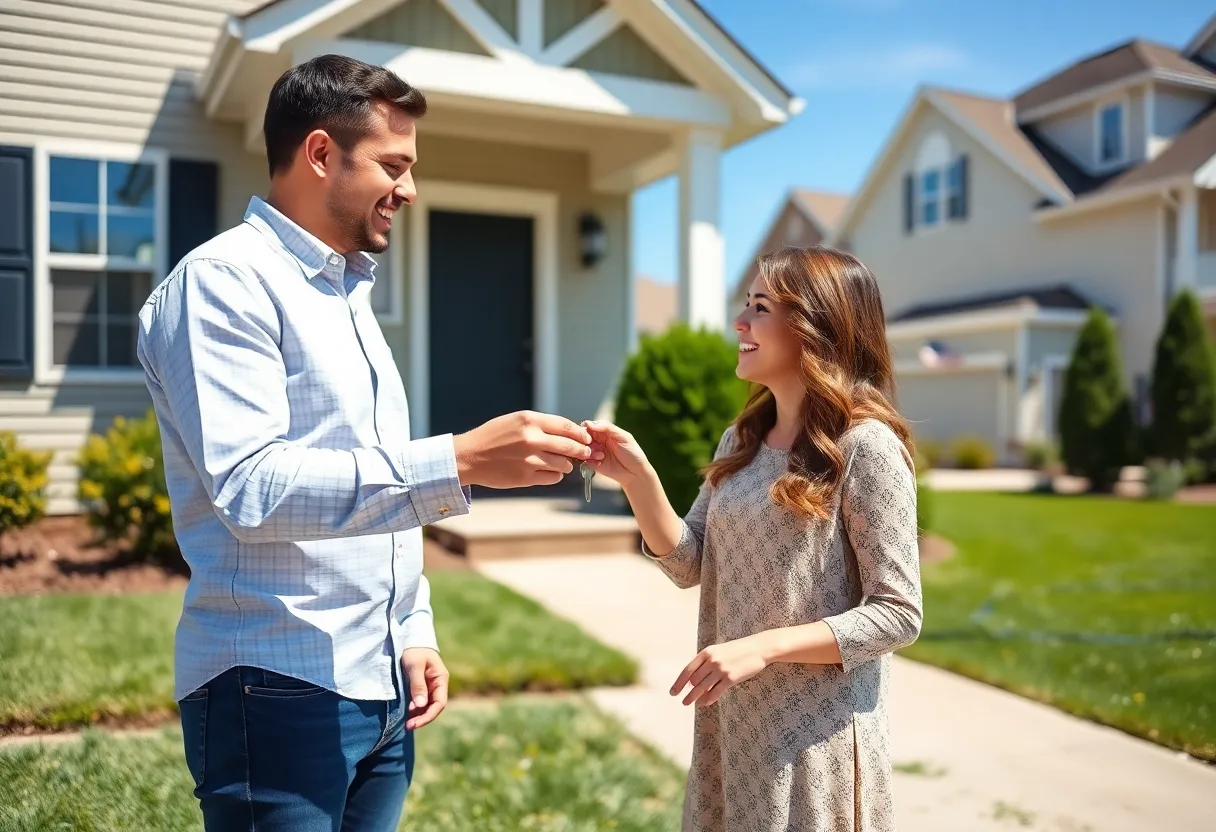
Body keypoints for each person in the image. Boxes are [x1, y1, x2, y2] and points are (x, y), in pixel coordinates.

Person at [135, 54, 597, 831]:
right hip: (275, 687)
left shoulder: (348, 295)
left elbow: (360, 474)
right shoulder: (223, 284)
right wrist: (458, 460)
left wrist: (412, 630)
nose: (410, 189)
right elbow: (252, 486)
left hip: (381, 688)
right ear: (320, 154)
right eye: (394, 164)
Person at [584, 245, 924, 831]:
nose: (739, 324)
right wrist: (639, 479)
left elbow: (898, 614)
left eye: (760, 308)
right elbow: (689, 562)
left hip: (813, 744)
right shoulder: (740, 439)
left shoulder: (866, 448)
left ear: (815, 327)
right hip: (731, 733)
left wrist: (761, 646)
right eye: (745, 305)